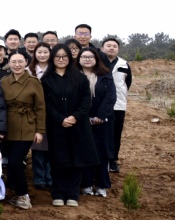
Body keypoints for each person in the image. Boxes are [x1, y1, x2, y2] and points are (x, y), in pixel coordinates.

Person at [42, 44, 99, 207]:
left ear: (70, 58)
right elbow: (46, 104)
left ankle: (73, 194)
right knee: (59, 160)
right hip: (56, 126)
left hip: (78, 126)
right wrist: (61, 119)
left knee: (77, 160)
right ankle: (58, 193)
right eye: (57, 56)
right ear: (52, 58)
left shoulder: (80, 78)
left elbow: (86, 101)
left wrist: (75, 117)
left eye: (64, 56)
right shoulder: (46, 80)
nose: (61, 59)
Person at [0, 51, 45, 210]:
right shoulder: (4, 81)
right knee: (9, 162)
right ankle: (10, 192)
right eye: (13, 62)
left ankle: (23, 195)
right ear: (9, 63)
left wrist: (40, 130)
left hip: (27, 125)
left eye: (20, 61)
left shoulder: (34, 82)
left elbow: (40, 107)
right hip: (7, 126)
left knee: (15, 161)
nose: (17, 65)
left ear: (26, 62)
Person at [78, 48, 116, 198]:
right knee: (85, 153)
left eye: (90, 57)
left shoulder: (105, 76)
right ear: (79, 59)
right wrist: (81, 117)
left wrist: (101, 115)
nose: (87, 59)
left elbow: (111, 97)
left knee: (102, 153)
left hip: (103, 122)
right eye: (84, 57)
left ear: (96, 59)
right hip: (81, 122)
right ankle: (86, 184)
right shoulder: (74, 76)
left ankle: (101, 185)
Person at [102, 38, 131, 172]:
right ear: (102, 48)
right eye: (108, 45)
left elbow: (127, 83)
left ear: (118, 49)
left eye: (114, 46)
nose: (111, 48)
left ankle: (113, 160)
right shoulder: (97, 63)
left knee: (116, 133)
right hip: (100, 104)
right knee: (101, 133)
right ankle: (101, 159)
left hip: (118, 105)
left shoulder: (124, 64)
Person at [29, 43, 53, 190]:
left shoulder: (54, 70)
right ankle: (39, 178)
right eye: (39, 52)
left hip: (53, 113)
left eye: (45, 52)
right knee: (38, 146)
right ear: (35, 54)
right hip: (35, 114)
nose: (42, 55)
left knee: (51, 148)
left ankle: (50, 177)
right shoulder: (29, 71)